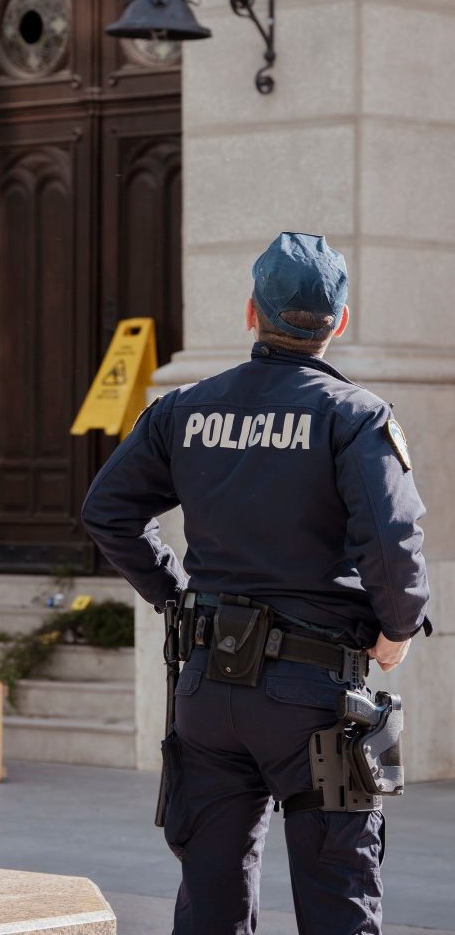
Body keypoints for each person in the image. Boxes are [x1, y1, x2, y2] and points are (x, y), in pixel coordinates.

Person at [81, 232, 431, 935]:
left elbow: (108, 511)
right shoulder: (354, 416)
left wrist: (175, 596)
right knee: (338, 899)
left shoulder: (184, 409)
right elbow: (391, 541)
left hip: (208, 689)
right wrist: (397, 626)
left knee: (210, 897)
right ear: (340, 321)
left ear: (251, 312)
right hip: (315, 697)